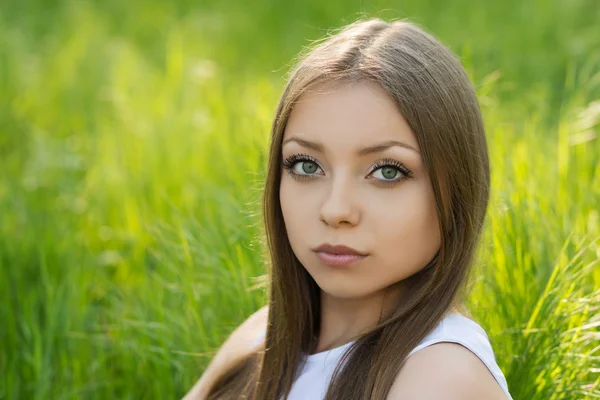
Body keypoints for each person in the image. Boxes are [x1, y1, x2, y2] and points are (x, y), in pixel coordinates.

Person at [184, 17, 514, 400]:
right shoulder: (261, 337)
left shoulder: (441, 376)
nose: (335, 209)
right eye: (307, 166)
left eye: (388, 171)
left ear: (457, 189)